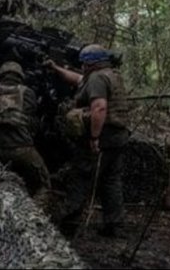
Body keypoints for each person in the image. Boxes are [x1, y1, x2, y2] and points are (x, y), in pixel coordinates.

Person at [45, 44, 129, 237]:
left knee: (81, 178)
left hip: (103, 137)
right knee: (111, 181)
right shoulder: (111, 75)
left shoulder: (97, 78)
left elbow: (99, 108)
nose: (81, 67)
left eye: (83, 63)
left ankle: (67, 227)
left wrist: (94, 137)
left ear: (91, 64)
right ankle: (114, 226)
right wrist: (56, 68)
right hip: (119, 137)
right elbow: (78, 79)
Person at [0, 61, 50, 197]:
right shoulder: (28, 93)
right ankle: (34, 212)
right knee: (44, 183)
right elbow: (33, 124)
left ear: (1, 75)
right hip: (22, 150)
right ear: (20, 76)